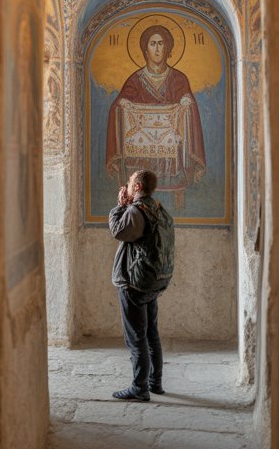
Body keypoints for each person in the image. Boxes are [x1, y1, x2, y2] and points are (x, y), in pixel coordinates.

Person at [105, 24, 207, 211]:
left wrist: (186, 102)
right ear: (145, 50)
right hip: (140, 139)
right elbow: (117, 105)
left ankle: (177, 197)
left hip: (172, 141)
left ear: (168, 48)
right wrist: (122, 104)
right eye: (153, 44)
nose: (158, 49)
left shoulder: (178, 79)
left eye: (161, 44)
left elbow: (188, 103)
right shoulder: (136, 79)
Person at [108, 169, 171, 401]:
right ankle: (156, 382)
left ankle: (140, 387)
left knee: (136, 337)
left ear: (137, 187)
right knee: (151, 334)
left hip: (134, 283)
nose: (126, 185)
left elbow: (119, 231)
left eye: (130, 182)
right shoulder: (158, 208)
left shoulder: (136, 211)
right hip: (153, 280)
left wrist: (119, 207)